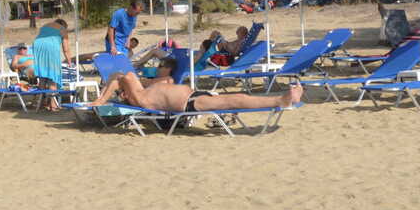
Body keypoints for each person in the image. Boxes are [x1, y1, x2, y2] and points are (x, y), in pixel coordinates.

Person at [88, 71, 302, 116]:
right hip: (189, 104)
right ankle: (280, 100)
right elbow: (121, 77)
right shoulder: (140, 99)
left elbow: (167, 80)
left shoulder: (144, 91)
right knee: (234, 100)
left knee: (234, 98)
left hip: (194, 94)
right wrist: (102, 99)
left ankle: (281, 99)